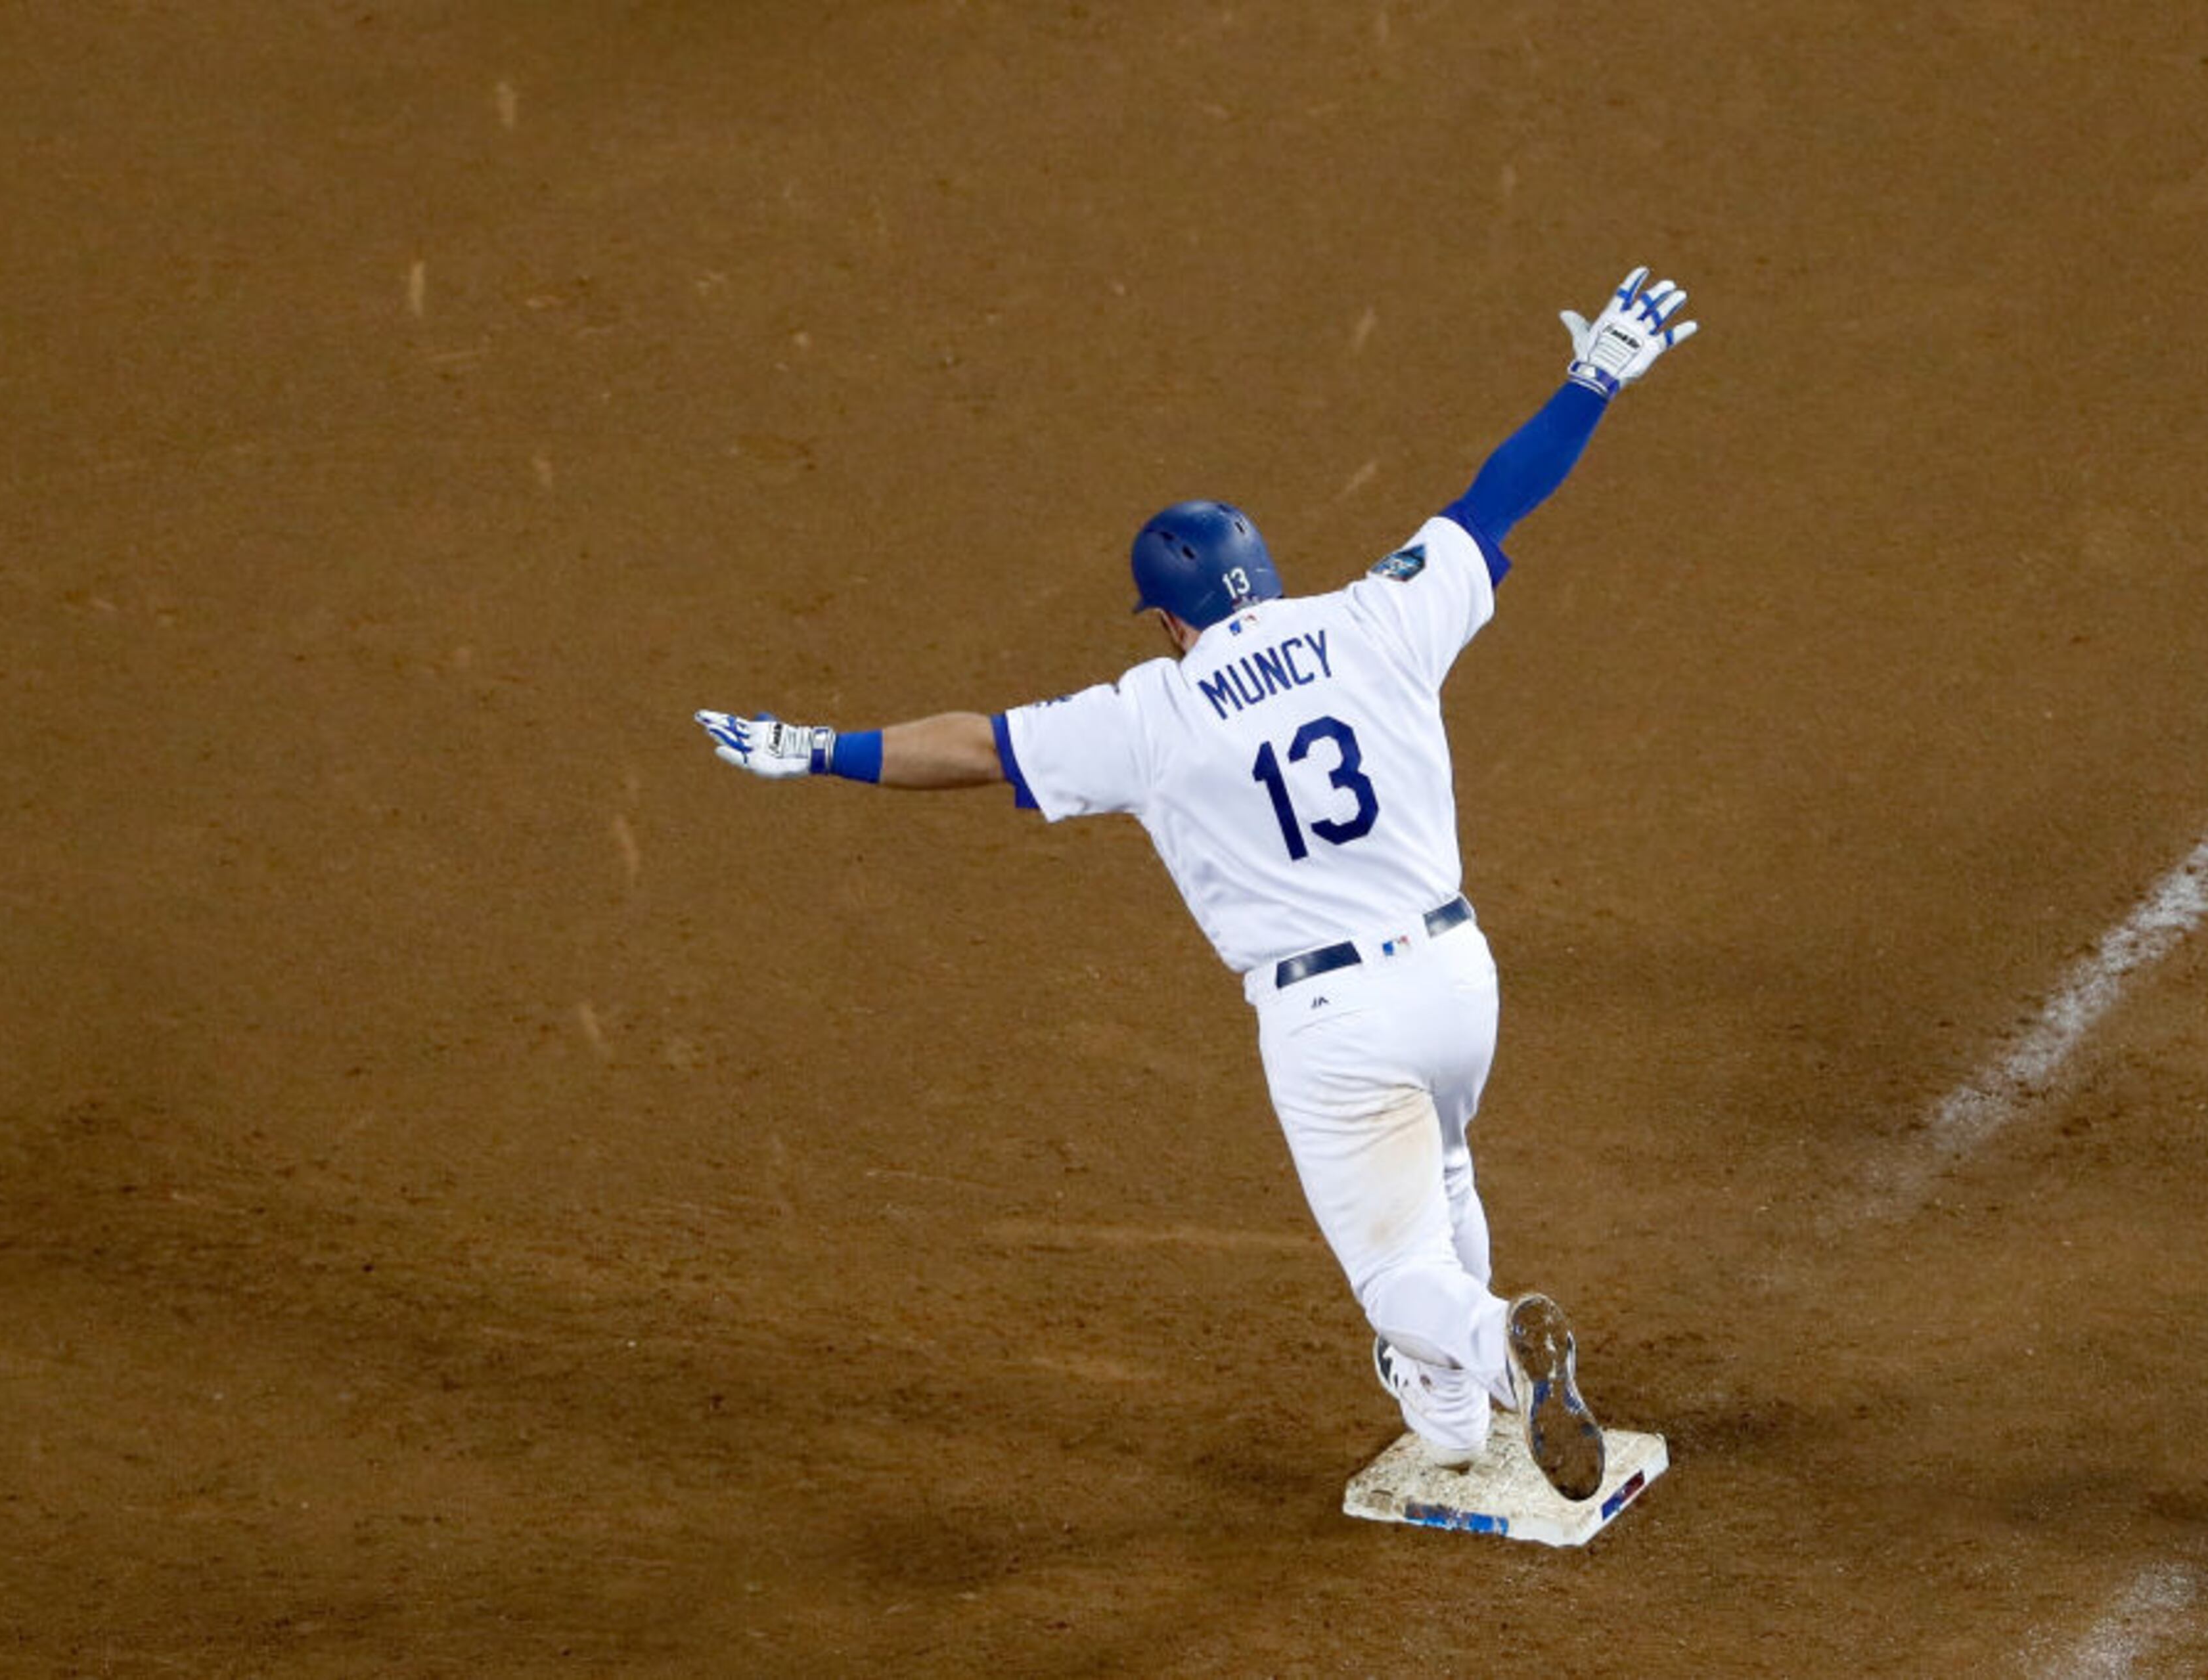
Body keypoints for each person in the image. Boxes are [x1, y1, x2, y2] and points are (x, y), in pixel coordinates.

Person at [696, 267, 1697, 1499]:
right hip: (1456, 976)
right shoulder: (1376, 616)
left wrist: (815, 749)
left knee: (1395, 1272)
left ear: (1164, 621)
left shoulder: (1153, 710)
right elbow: (1498, 498)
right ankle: (1446, 1416)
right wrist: (1594, 377)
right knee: (1439, 1169)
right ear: (1264, 575)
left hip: (1333, 1024)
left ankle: (1500, 1349)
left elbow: (974, 746)